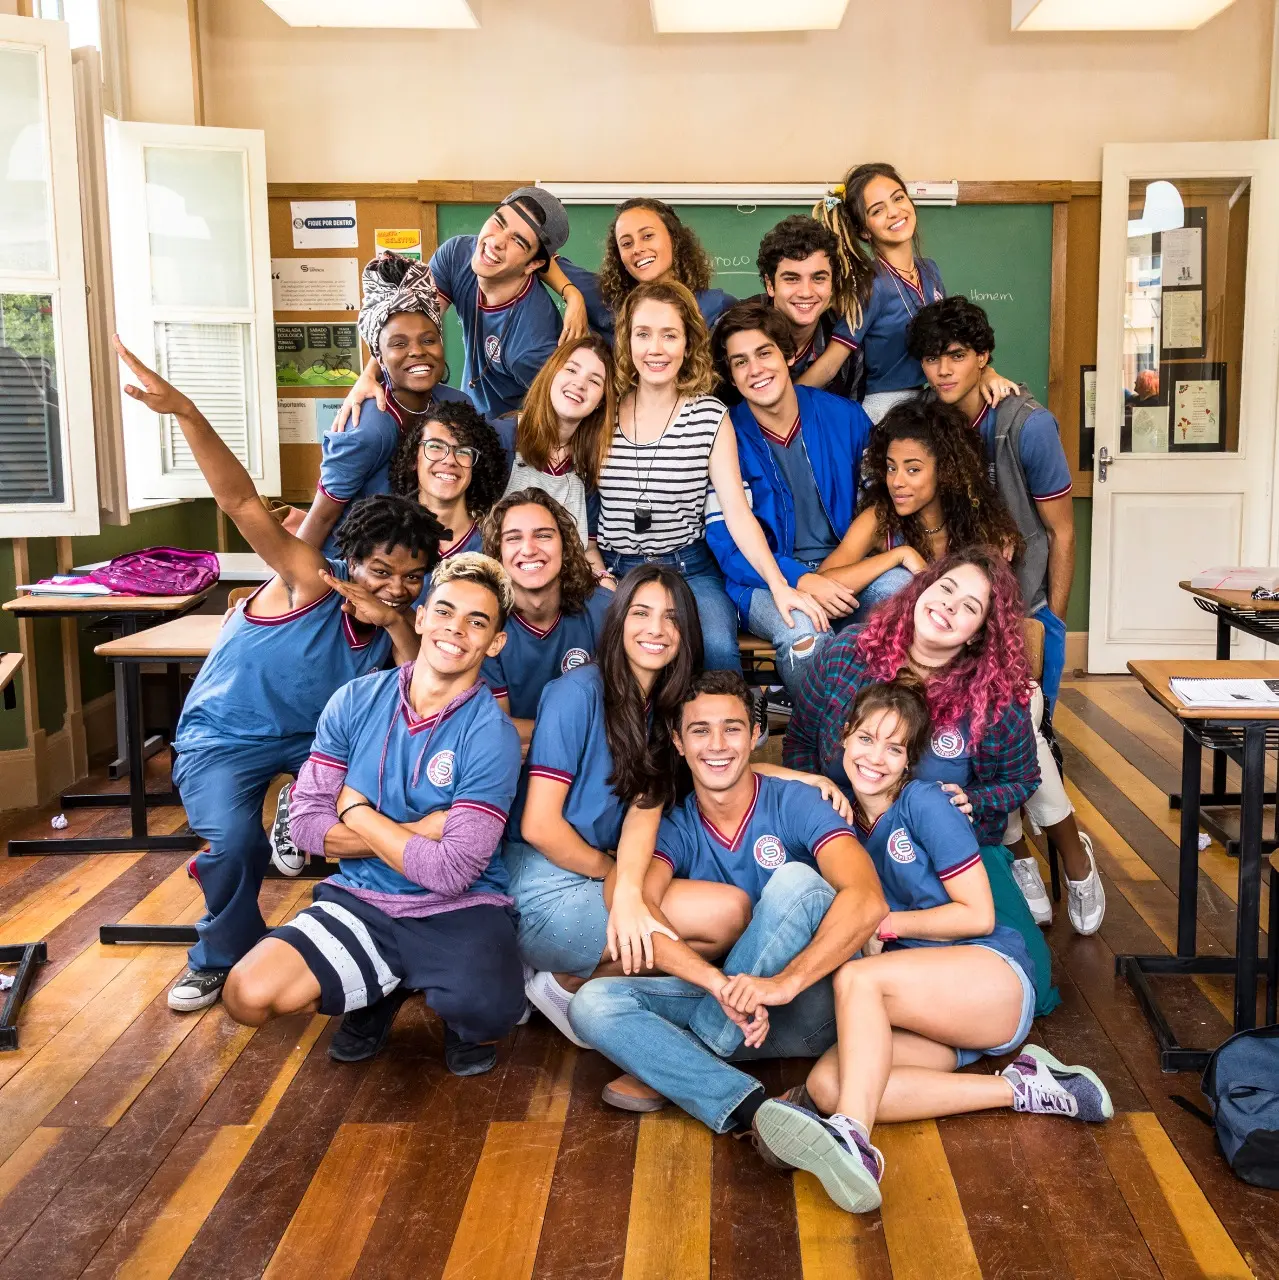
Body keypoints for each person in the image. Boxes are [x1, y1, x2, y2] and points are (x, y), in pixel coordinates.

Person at [111, 336, 440, 1013]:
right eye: (381, 572)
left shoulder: (398, 617)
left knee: (392, 798)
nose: (396, 587)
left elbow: (418, 694)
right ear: (349, 560)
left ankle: (362, 930)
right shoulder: (310, 580)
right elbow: (241, 504)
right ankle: (218, 957)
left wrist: (394, 620)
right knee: (236, 845)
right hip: (224, 737)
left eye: (412, 578)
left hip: (315, 747)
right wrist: (186, 412)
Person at [751, 679, 1112, 1215]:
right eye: (865, 739)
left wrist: (881, 924)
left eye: (894, 748)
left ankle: (853, 1140)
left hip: (989, 977)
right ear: (844, 737)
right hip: (922, 1008)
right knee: (829, 1085)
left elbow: (977, 914)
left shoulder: (924, 802)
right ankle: (1024, 1087)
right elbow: (753, 773)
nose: (875, 758)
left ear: (909, 759)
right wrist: (813, 779)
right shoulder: (839, 811)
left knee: (856, 979)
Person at [222, 554, 525, 1076]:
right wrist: (418, 831)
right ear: (421, 618)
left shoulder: (492, 735)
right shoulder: (355, 700)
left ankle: (435, 1000)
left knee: (489, 1014)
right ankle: (378, 992)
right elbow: (305, 826)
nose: (456, 629)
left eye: (477, 622)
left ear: (494, 643)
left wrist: (357, 811)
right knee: (245, 995)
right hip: (362, 900)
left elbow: (452, 872)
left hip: (460, 909)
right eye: (445, 612)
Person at [567, 668, 887, 1132]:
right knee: (591, 1004)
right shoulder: (675, 825)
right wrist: (719, 986)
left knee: (796, 882)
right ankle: (753, 1111)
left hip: (812, 1003)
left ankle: (687, 1054)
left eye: (732, 728)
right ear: (678, 742)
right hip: (741, 1014)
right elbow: (640, 912)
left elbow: (868, 899)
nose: (717, 744)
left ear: (755, 735)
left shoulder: (798, 801)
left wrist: (784, 984)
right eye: (700, 730)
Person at [783, 548, 1058, 1015]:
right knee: (819, 972)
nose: (949, 605)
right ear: (921, 589)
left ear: (979, 633)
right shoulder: (846, 654)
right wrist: (817, 795)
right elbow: (801, 741)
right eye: (945, 588)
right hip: (844, 838)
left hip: (950, 855)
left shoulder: (993, 696)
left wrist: (974, 800)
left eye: (969, 606)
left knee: (1026, 976)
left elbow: (1022, 778)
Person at [908, 297, 1105, 932]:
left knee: (1020, 724)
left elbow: (1062, 532)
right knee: (976, 738)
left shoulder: (1028, 424)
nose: (943, 369)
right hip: (961, 615)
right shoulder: (932, 419)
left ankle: (1069, 853)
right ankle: (1020, 858)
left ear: (984, 356)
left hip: (1024, 612)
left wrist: (1052, 623)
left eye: (957, 356)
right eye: (932, 358)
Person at [509, 566, 755, 1046]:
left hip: (598, 872)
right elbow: (539, 826)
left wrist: (628, 890)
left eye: (671, 617)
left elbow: (644, 814)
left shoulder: (664, 706)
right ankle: (544, 970)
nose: (656, 629)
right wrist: (615, 879)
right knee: (718, 918)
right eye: (641, 613)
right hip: (541, 882)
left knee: (730, 912)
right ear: (619, 619)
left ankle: (564, 983)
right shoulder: (576, 692)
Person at [595, 280, 826, 675]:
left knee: (716, 648)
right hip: (616, 569)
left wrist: (779, 585)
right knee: (604, 652)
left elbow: (737, 513)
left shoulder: (710, 416)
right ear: (626, 340)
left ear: (688, 344)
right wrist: (598, 574)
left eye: (670, 335)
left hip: (689, 569)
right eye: (643, 334)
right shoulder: (602, 410)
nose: (655, 348)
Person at [705, 301, 893, 697]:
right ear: (731, 377)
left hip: (844, 567)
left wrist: (836, 572)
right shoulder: (723, 434)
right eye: (740, 362)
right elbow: (727, 543)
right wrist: (800, 579)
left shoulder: (846, 417)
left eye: (764, 353)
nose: (755, 369)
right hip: (761, 581)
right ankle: (827, 733)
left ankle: (883, 728)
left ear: (788, 355)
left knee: (901, 592)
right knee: (804, 633)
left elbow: (882, 504)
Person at [337, 187, 586, 424]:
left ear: (533, 265)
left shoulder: (532, 346)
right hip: (466, 416)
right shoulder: (458, 255)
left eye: (517, 241)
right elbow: (411, 324)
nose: (496, 242)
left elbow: (558, 418)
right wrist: (368, 376)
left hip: (511, 437)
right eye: (499, 222)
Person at [296, 253, 473, 556]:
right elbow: (321, 518)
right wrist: (289, 580)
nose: (417, 351)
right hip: (356, 567)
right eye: (399, 344)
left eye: (428, 340)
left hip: (416, 562)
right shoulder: (369, 428)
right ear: (378, 357)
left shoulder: (455, 405)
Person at [809, 163, 1014, 422]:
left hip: (930, 398)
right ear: (864, 230)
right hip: (883, 410)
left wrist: (988, 373)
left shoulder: (930, 270)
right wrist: (782, 400)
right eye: (877, 210)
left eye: (898, 198)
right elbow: (830, 364)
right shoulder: (868, 285)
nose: (894, 212)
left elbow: (954, 341)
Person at [820, 395, 1020, 578]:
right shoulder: (879, 519)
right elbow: (821, 581)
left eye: (913, 470)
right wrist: (899, 555)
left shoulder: (976, 524)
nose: (896, 482)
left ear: (945, 470)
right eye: (891, 468)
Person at [480, 488, 613, 743]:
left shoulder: (605, 609)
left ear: (565, 545)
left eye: (543, 535)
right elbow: (497, 728)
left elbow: (623, 714)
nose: (528, 549)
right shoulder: (485, 620)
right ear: (498, 553)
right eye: (513, 538)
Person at [499, 334, 615, 583]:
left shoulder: (587, 465)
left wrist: (606, 583)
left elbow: (588, 550)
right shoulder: (502, 439)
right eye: (571, 370)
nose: (580, 384)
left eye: (594, 381)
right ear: (551, 373)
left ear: (601, 402)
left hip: (564, 594)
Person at [559, 199, 736, 342]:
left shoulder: (716, 305)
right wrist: (571, 294)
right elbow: (546, 258)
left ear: (674, 238)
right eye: (626, 243)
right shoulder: (605, 301)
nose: (637, 249)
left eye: (648, 236)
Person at [753, 215, 861, 399]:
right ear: (770, 285)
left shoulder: (847, 346)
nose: (806, 292)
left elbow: (852, 413)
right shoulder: (734, 331)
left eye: (818, 278)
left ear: (833, 285)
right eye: (792, 279)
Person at [387, 399, 506, 561]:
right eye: (435, 446)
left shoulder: (496, 545)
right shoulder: (385, 537)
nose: (450, 460)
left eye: (463, 450)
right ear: (414, 458)